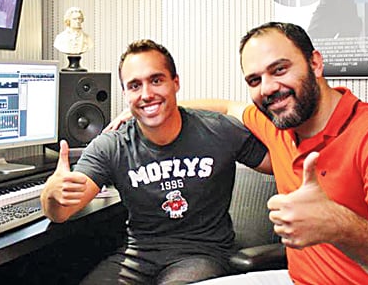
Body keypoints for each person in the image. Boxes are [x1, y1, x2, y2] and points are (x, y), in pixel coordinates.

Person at [107, 23, 368, 284]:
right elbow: (227, 107)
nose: (267, 88)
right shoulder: (278, 123)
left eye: (279, 70)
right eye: (255, 79)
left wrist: (337, 224)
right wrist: (151, 109)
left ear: (315, 63)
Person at [41, 39, 270, 285]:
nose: (146, 94)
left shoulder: (218, 130)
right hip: (137, 258)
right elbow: (60, 213)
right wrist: (51, 194)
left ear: (176, 83)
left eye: (156, 81)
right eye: (135, 86)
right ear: (125, 94)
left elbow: (282, 164)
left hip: (203, 255)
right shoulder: (112, 144)